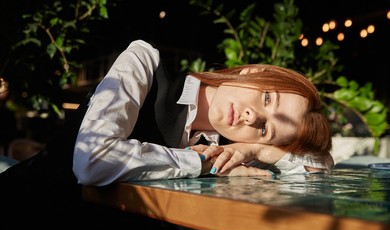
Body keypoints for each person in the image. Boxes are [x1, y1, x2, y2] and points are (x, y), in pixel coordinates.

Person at [72, 39, 333, 186]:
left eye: (265, 129)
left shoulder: (229, 147)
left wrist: (258, 151)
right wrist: (200, 163)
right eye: (267, 98)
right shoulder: (144, 62)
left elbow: (321, 165)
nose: (253, 118)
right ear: (251, 73)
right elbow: (93, 161)